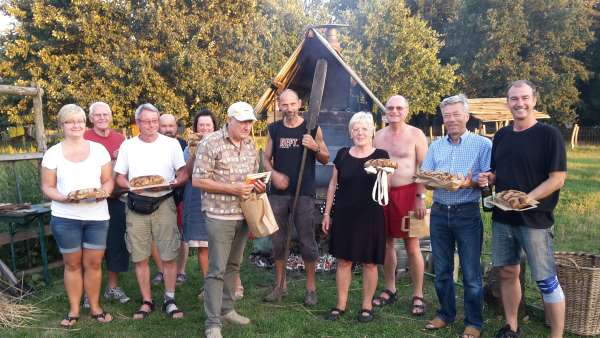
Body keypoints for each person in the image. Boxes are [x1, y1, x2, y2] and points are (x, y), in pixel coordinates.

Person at [478, 80, 567, 338]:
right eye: (514, 99)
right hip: (503, 217)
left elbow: (557, 178)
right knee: (507, 272)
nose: (520, 103)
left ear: (534, 100)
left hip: (536, 219)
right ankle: (512, 327)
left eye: (524, 98)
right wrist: (489, 178)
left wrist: (526, 199)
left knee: (545, 279)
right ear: (508, 102)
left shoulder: (549, 135)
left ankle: (557, 335)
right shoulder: (502, 135)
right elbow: (498, 172)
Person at [193, 102, 266, 338]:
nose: (247, 126)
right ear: (229, 120)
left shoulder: (250, 144)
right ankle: (212, 323)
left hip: (243, 213)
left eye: (250, 122)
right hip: (219, 215)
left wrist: (258, 185)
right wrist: (232, 189)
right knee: (216, 269)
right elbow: (198, 180)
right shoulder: (210, 142)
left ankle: (227, 309)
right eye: (243, 121)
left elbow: (251, 176)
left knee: (234, 265)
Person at [421, 94, 491, 338]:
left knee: (471, 273)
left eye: (456, 115)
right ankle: (445, 314)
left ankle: (474, 322)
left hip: (467, 213)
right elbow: (426, 179)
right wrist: (434, 181)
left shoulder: (483, 145)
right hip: (439, 212)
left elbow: (487, 181)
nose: (451, 120)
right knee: (442, 269)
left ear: (466, 117)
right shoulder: (435, 146)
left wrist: (470, 183)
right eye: (447, 115)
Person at [41, 104, 114, 327]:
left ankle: (95, 307)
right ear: (62, 125)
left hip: (97, 216)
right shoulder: (53, 153)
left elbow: (107, 180)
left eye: (80, 121)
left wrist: (105, 193)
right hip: (65, 217)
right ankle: (74, 310)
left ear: (85, 123)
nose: (76, 125)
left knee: (93, 263)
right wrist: (65, 198)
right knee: (72, 264)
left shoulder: (99, 150)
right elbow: (47, 187)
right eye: (70, 121)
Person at [114, 103, 188, 320]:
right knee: (139, 256)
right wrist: (131, 186)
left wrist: (174, 183)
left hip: (164, 201)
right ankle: (147, 300)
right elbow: (119, 176)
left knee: (169, 253)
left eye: (155, 121)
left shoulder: (171, 144)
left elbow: (182, 172)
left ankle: (170, 298)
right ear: (137, 123)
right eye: (146, 121)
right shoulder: (128, 146)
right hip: (137, 203)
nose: (151, 125)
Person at [262, 89, 330, 305]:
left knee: (307, 241)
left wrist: (315, 147)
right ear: (279, 106)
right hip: (279, 195)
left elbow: (326, 158)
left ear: (300, 103)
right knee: (278, 239)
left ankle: (311, 289)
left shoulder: (311, 128)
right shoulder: (274, 129)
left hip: (304, 193)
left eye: (293, 104)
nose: (289, 109)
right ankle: (280, 285)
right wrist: (274, 174)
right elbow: (265, 158)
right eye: (285, 105)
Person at [321, 112, 388, 323]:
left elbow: (387, 184)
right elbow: (333, 184)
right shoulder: (342, 154)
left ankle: (367, 305)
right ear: (350, 133)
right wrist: (327, 213)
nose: (360, 133)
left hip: (371, 215)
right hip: (344, 215)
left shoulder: (381, 154)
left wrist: (386, 171)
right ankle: (341, 304)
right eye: (356, 129)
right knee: (344, 260)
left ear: (372, 132)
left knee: (370, 262)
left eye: (364, 129)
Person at [373, 95, 428, 315]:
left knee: (412, 246)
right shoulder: (378, 136)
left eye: (399, 108)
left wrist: (420, 198)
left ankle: (418, 294)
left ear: (407, 111)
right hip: (384, 195)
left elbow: (424, 167)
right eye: (390, 108)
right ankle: (390, 288)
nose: (394, 111)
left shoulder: (416, 134)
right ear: (384, 111)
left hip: (410, 194)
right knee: (387, 243)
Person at [83, 101, 130, 305]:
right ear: (91, 118)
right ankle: (87, 292)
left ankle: (112, 287)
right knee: (91, 247)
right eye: (98, 115)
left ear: (111, 116)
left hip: (116, 199)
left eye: (105, 114)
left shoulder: (120, 139)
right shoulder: (84, 138)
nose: (102, 118)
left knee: (116, 243)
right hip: (91, 202)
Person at [182, 109, 217, 299]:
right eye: (201, 125)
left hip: (218, 197)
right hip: (196, 197)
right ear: (196, 128)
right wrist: (194, 154)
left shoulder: (221, 144)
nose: (204, 129)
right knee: (203, 244)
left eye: (208, 125)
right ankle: (208, 285)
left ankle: (234, 283)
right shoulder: (189, 147)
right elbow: (186, 173)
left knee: (222, 243)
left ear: (214, 128)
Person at [153, 113, 189, 285]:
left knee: (182, 234)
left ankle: (181, 271)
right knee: (157, 234)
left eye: (171, 126)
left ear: (176, 127)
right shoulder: (152, 145)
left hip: (181, 195)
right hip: (158, 196)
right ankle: (161, 270)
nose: (167, 129)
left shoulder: (184, 145)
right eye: (164, 126)